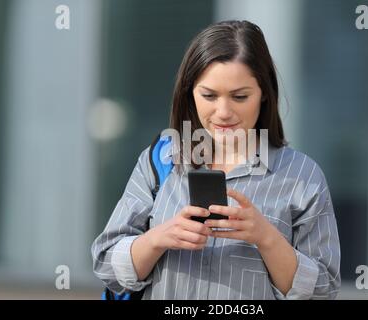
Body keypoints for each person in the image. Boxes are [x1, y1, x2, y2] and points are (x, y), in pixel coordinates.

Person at [91, 20, 340, 300]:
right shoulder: (160, 159)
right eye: (209, 95)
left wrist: (265, 237)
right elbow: (106, 266)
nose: (223, 112)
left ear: (264, 96)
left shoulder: (303, 176)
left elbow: (323, 291)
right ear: (190, 94)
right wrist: (158, 238)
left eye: (240, 96)